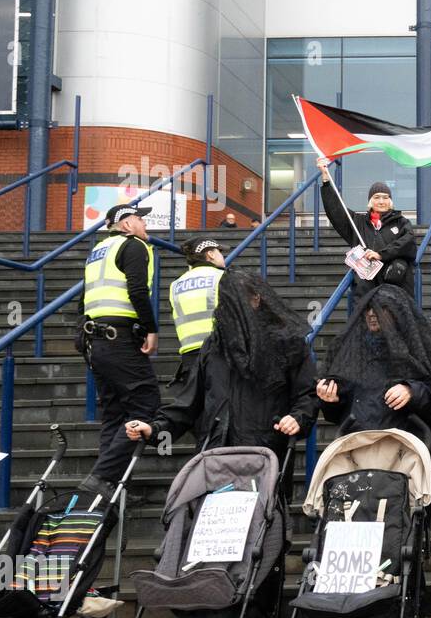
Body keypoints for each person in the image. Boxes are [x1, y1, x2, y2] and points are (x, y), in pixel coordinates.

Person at [125, 270, 317, 496]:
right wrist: (155, 428)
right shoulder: (214, 346)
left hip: (266, 453)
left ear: (257, 299)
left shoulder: (288, 343)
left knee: (264, 524)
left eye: (237, 302)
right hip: (218, 454)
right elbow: (189, 402)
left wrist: (298, 418)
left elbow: (307, 393)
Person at [316, 286, 431, 453]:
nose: (372, 313)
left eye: (382, 308)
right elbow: (336, 413)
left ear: (397, 313)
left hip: (406, 455)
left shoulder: (419, 350)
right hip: (358, 450)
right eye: (368, 308)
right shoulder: (350, 353)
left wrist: (412, 391)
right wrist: (330, 400)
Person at [78, 203, 161, 500]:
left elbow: (83, 298)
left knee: (114, 413)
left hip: (96, 339)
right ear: (126, 225)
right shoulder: (133, 245)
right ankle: (104, 475)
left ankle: (106, 486)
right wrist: (151, 328)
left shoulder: (97, 252)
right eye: (140, 219)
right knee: (146, 402)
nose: (145, 224)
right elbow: (137, 290)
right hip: (119, 338)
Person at [316, 158, 418, 295]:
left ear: (391, 201)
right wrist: (326, 178)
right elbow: (335, 210)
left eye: (385, 197)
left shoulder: (401, 222)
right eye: (376, 197)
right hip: (366, 291)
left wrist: (381, 255)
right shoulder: (357, 222)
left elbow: (408, 243)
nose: (381, 201)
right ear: (370, 202)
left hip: (397, 289)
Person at [167, 236, 225, 388]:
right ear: (210, 254)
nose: (222, 256)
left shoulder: (175, 285)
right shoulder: (221, 277)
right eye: (219, 252)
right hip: (218, 353)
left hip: (189, 356)